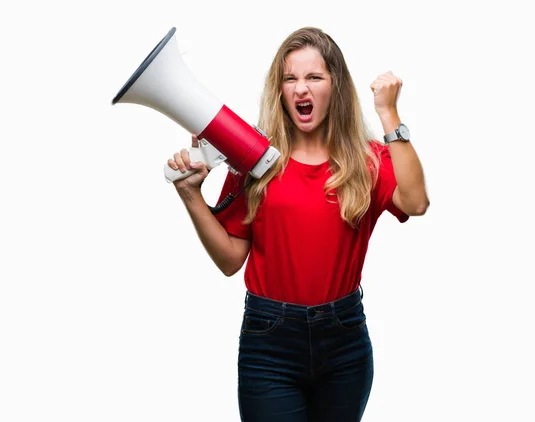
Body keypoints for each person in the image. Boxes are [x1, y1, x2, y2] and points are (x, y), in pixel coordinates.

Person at [166, 27, 429, 422]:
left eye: (314, 77)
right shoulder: (255, 158)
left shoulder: (368, 160)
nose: (300, 89)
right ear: (280, 89)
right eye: (290, 78)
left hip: (345, 342)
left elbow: (416, 202)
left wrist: (389, 115)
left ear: (335, 86)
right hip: (269, 342)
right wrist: (190, 195)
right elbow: (230, 259)